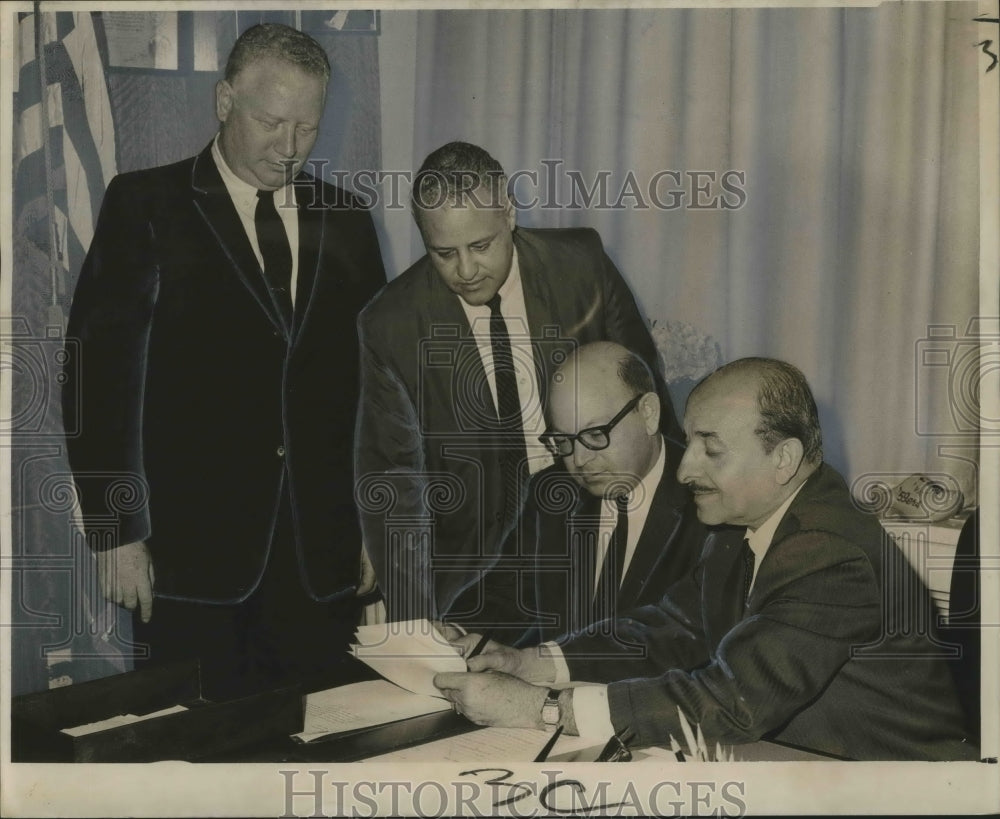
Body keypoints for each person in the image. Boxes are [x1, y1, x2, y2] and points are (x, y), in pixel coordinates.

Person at [62, 24, 386, 698]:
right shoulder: (145, 204)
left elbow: (376, 387)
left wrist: (378, 523)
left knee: (316, 755)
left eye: (308, 126)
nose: (291, 147)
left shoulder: (349, 219)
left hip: (319, 563)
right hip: (189, 562)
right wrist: (115, 530)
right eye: (272, 121)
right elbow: (95, 377)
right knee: (195, 754)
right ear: (223, 101)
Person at [436, 358, 976, 761]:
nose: (684, 468)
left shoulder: (831, 553)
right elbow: (671, 628)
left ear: (783, 458)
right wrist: (530, 663)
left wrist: (541, 708)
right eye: (690, 442)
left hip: (894, 786)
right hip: (795, 764)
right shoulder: (743, 525)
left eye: (710, 449)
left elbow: (731, 700)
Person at [356, 141, 679, 625]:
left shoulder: (581, 266)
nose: (465, 271)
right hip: (472, 572)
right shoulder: (389, 324)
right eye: (444, 253)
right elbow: (396, 482)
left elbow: (651, 407)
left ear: (508, 212)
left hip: (598, 531)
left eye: (480, 246)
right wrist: (415, 630)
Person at [473, 342, 706, 643]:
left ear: (648, 412)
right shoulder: (552, 491)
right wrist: (461, 633)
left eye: (596, 434)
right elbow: (506, 594)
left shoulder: (708, 502)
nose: (579, 461)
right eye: (564, 441)